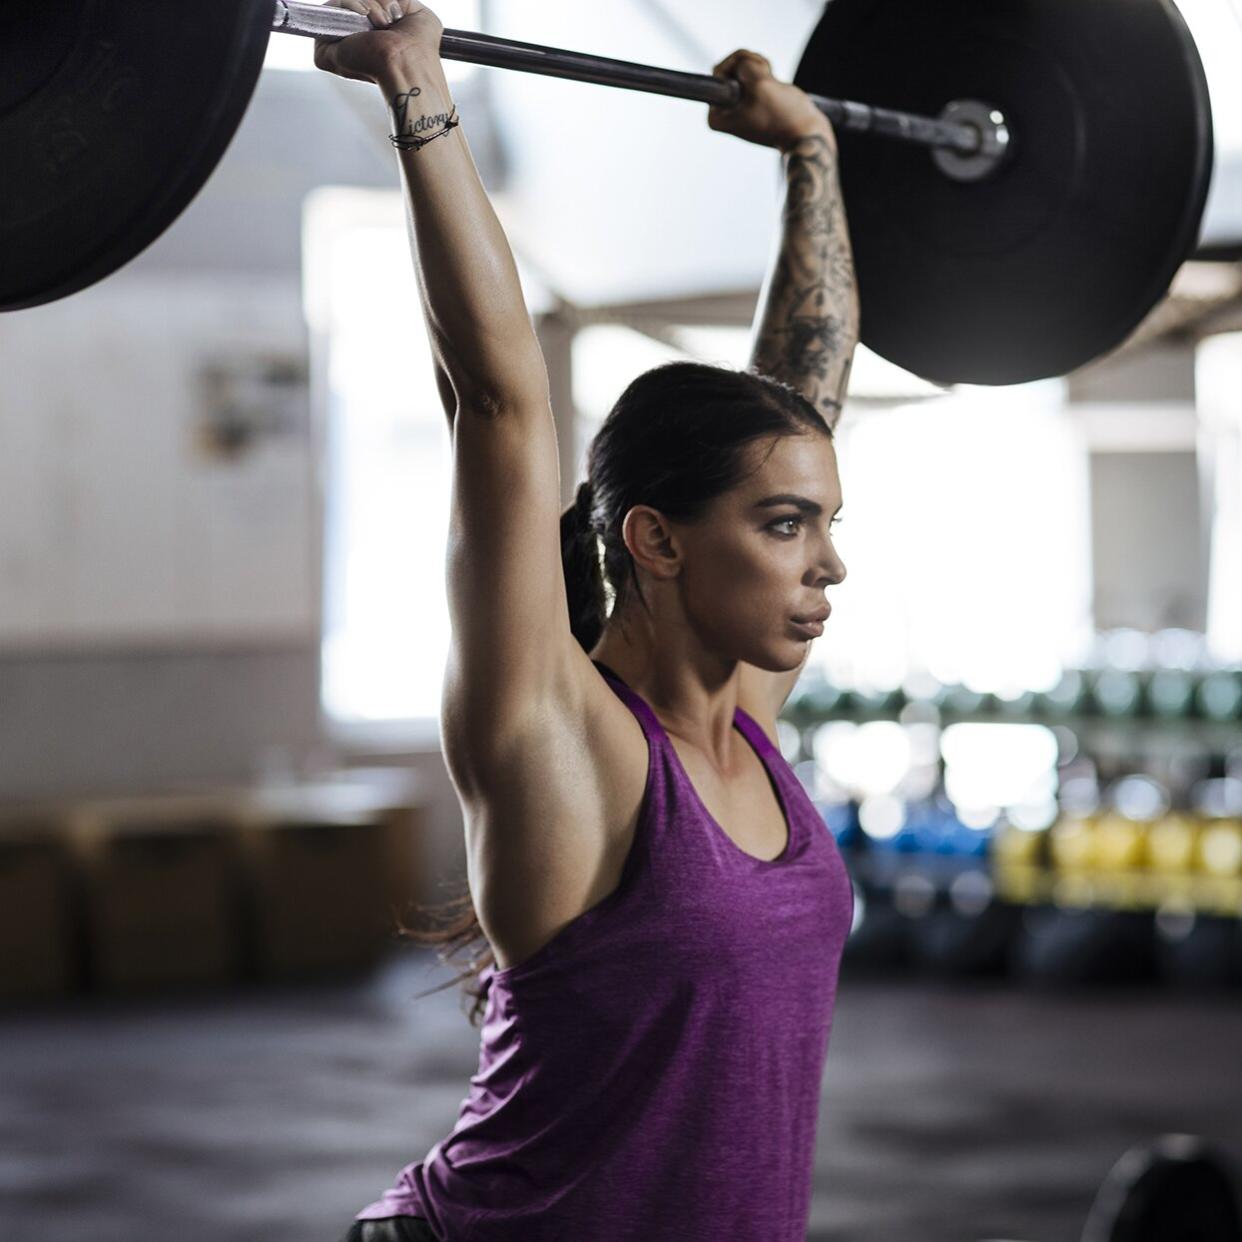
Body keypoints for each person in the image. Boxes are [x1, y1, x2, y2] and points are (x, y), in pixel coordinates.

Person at [317, 3, 858, 1239]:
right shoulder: (560, 739)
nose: (829, 564)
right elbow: (500, 405)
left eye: (827, 523)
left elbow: (809, 379)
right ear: (655, 541)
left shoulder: (742, 729)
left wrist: (811, 157)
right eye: (784, 526)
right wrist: (416, 86)